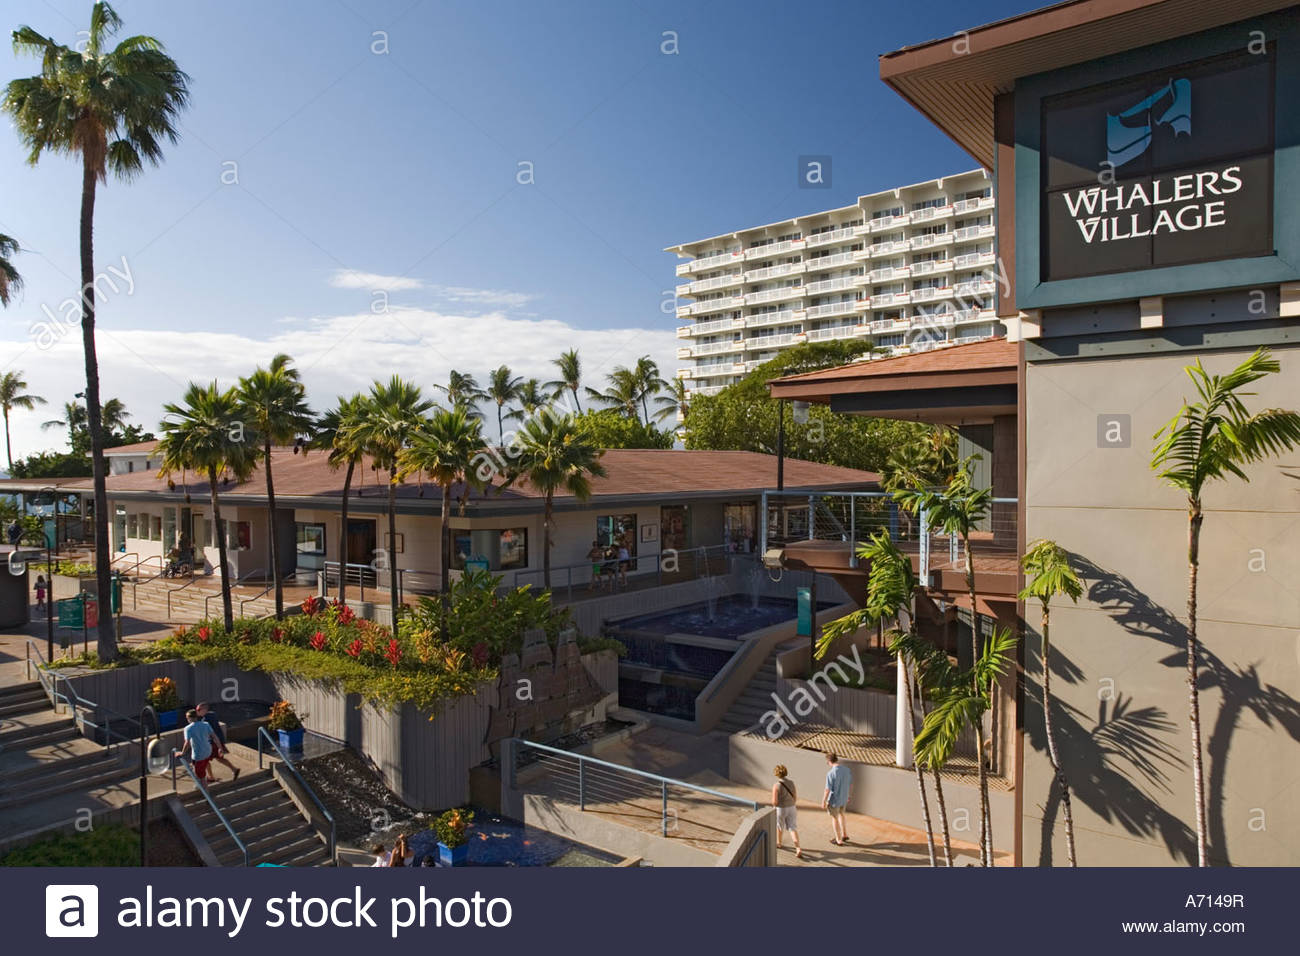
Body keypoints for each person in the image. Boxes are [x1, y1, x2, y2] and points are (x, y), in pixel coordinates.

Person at [195, 702, 240, 784]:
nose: (197, 711)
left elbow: (210, 733)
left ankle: (211, 777)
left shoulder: (206, 719)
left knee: (205, 759)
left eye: (198, 709)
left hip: (213, 743)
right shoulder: (211, 715)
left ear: (204, 709)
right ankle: (233, 769)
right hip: (215, 742)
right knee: (217, 759)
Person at [177, 709, 217, 784]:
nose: (187, 719)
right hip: (208, 750)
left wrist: (182, 753)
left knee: (199, 775)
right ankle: (211, 777)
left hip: (198, 754)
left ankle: (203, 789)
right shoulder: (206, 724)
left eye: (187, 718)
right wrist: (220, 747)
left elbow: (187, 743)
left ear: (190, 718)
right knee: (206, 762)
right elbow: (214, 736)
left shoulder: (188, 728)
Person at [771, 764, 802, 858]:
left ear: (776, 774)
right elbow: (795, 797)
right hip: (792, 807)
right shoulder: (792, 783)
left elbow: (775, 802)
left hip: (781, 808)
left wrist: (773, 805)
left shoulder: (776, 786)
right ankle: (798, 848)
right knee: (792, 828)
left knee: (779, 826)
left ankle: (779, 843)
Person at [822, 752, 851, 846]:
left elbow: (827, 789)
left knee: (834, 818)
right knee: (842, 815)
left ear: (829, 761)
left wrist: (824, 801)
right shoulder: (847, 770)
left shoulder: (831, 773)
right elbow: (850, 784)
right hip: (844, 798)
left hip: (835, 800)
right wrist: (848, 795)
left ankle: (838, 839)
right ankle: (845, 834)